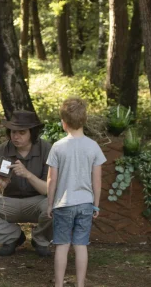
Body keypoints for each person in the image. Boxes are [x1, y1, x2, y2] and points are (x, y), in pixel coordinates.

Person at [0, 110, 52, 257]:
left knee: (59, 205)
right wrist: (0, 186)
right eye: (13, 132)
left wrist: (28, 174)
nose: (16, 136)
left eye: (21, 132)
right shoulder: (2, 150)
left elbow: (49, 190)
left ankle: (40, 240)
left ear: (32, 132)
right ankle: (12, 237)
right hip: (8, 202)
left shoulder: (46, 149)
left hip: (38, 202)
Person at [46, 97, 106, 287]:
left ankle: (59, 284)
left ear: (64, 123)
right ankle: (80, 284)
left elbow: (51, 179)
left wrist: (50, 204)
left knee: (62, 246)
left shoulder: (58, 147)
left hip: (63, 204)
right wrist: (96, 203)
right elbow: (97, 180)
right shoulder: (93, 146)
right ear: (85, 120)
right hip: (85, 203)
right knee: (81, 246)